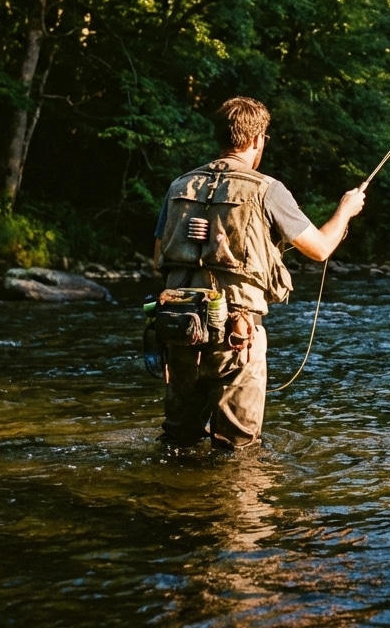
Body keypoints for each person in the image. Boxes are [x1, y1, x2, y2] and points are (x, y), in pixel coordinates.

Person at [151, 96, 366, 451]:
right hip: (237, 335)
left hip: (178, 330)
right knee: (238, 449)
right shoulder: (267, 189)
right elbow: (320, 249)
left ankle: (168, 487)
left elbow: (159, 258)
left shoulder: (179, 187)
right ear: (256, 139)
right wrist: (346, 210)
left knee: (178, 442)